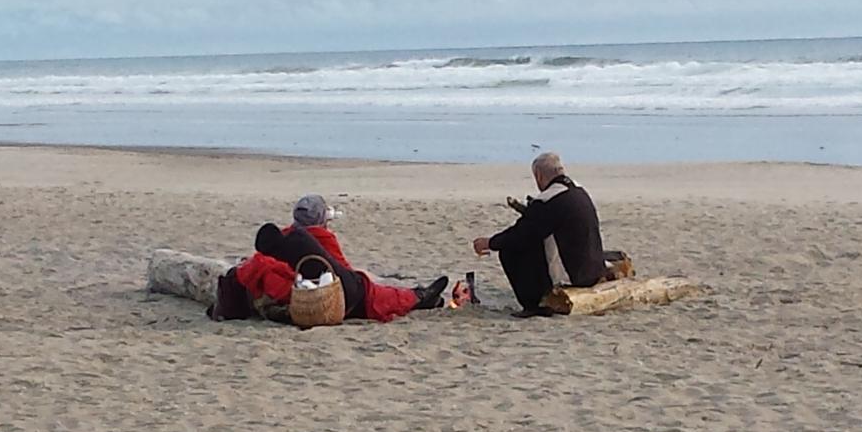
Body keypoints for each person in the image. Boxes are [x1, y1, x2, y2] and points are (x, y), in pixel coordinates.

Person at [211, 194, 447, 323]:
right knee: (369, 291)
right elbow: (342, 271)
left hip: (294, 295)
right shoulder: (313, 239)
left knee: (366, 288)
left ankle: (420, 296)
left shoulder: (276, 247)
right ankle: (419, 296)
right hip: (336, 296)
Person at [472, 153, 605, 318]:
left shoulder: (548, 200)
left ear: (539, 176)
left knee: (510, 252)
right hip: (593, 269)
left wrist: (490, 243)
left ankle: (534, 305)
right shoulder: (579, 191)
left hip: (573, 276)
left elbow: (521, 235)